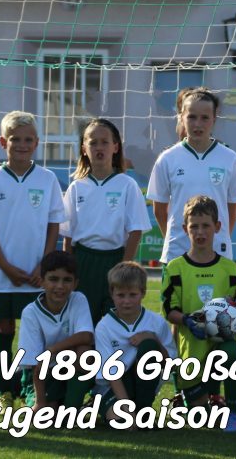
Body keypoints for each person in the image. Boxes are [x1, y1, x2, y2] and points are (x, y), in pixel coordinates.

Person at [0, 111, 64, 407]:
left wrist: (43, 265)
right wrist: (6, 267)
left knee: (34, 331)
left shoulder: (47, 179)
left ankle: (28, 387)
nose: (22, 145)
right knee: (5, 328)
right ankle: (3, 387)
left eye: (27, 140)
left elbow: (54, 224)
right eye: (15, 139)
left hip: (37, 274)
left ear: (36, 143)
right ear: (3, 142)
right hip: (3, 274)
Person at [161, 195, 236, 432]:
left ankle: (233, 413)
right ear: (184, 229)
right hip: (192, 350)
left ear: (217, 227)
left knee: (232, 350)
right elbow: (169, 310)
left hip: (219, 345)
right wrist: (187, 320)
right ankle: (192, 396)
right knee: (200, 419)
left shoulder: (228, 268)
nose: (200, 232)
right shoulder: (175, 268)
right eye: (194, 226)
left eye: (206, 226)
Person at [62, 118, 152, 323]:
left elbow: (135, 231)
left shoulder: (127, 185)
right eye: (93, 142)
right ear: (84, 149)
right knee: (84, 324)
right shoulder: (76, 187)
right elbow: (67, 234)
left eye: (104, 142)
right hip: (84, 261)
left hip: (115, 259)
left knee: (114, 323)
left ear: (115, 147)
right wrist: (71, 270)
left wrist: (124, 265)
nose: (99, 147)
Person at [148, 87, 236, 264]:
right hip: (177, 253)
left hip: (217, 253)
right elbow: (159, 210)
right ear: (181, 117)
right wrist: (175, 238)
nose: (198, 124)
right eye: (192, 117)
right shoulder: (167, 158)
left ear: (214, 119)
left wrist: (218, 237)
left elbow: (232, 210)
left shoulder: (229, 158)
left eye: (204, 118)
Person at [96, 261, 177, 427]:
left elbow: (171, 364)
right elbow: (111, 374)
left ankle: (143, 410)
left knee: (149, 346)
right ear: (112, 293)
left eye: (132, 295)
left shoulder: (156, 322)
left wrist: (153, 339)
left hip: (143, 384)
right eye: (121, 295)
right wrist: (126, 409)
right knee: (121, 422)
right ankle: (115, 408)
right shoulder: (104, 326)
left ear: (143, 292)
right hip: (114, 386)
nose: (126, 301)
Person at [17, 250, 94, 410]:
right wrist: (40, 402)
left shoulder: (78, 299)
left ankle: (71, 408)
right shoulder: (30, 313)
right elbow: (35, 363)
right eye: (53, 279)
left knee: (85, 352)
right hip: (40, 375)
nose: (60, 286)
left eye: (67, 280)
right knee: (46, 415)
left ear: (75, 283)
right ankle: (41, 399)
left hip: (67, 367)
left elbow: (86, 336)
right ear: (42, 281)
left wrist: (52, 350)